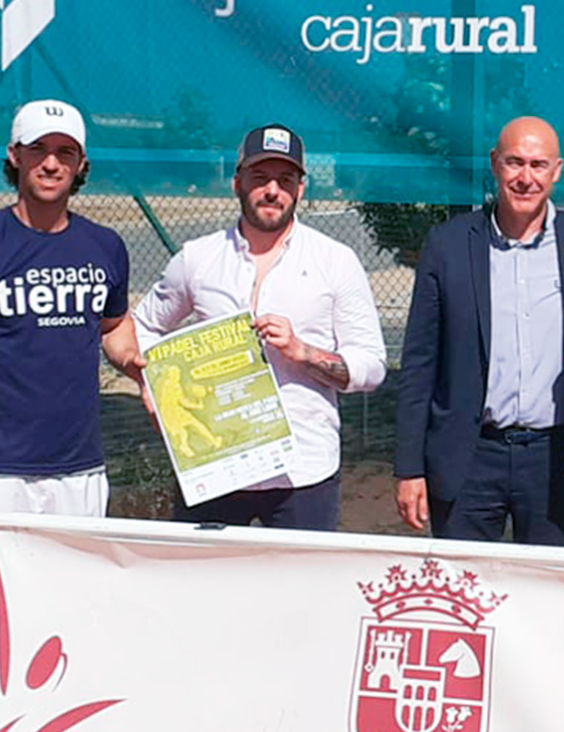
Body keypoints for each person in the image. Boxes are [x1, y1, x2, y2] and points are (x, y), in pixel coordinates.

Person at [134, 125, 386, 530]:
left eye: (285, 180)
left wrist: (303, 352)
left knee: (300, 591)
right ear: (236, 182)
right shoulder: (197, 258)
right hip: (213, 466)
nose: (272, 190)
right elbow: (142, 327)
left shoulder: (335, 261)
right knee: (202, 589)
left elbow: (371, 365)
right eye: (259, 178)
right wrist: (156, 388)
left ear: (301, 189)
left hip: (304, 472)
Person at [0, 99, 143, 519]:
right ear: (14, 155)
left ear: (81, 164)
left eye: (65, 152)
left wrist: (133, 362)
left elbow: (113, 325)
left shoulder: (106, 247)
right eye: (38, 149)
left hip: (81, 473)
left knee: (76, 588)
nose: (51, 164)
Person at [395, 116, 564, 545]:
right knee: (464, 595)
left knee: (550, 597)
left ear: (557, 171)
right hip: (469, 456)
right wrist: (409, 467)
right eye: (515, 163)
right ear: (495, 163)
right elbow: (419, 363)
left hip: (554, 461)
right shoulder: (448, 245)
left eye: (538, 165)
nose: (526, 177)